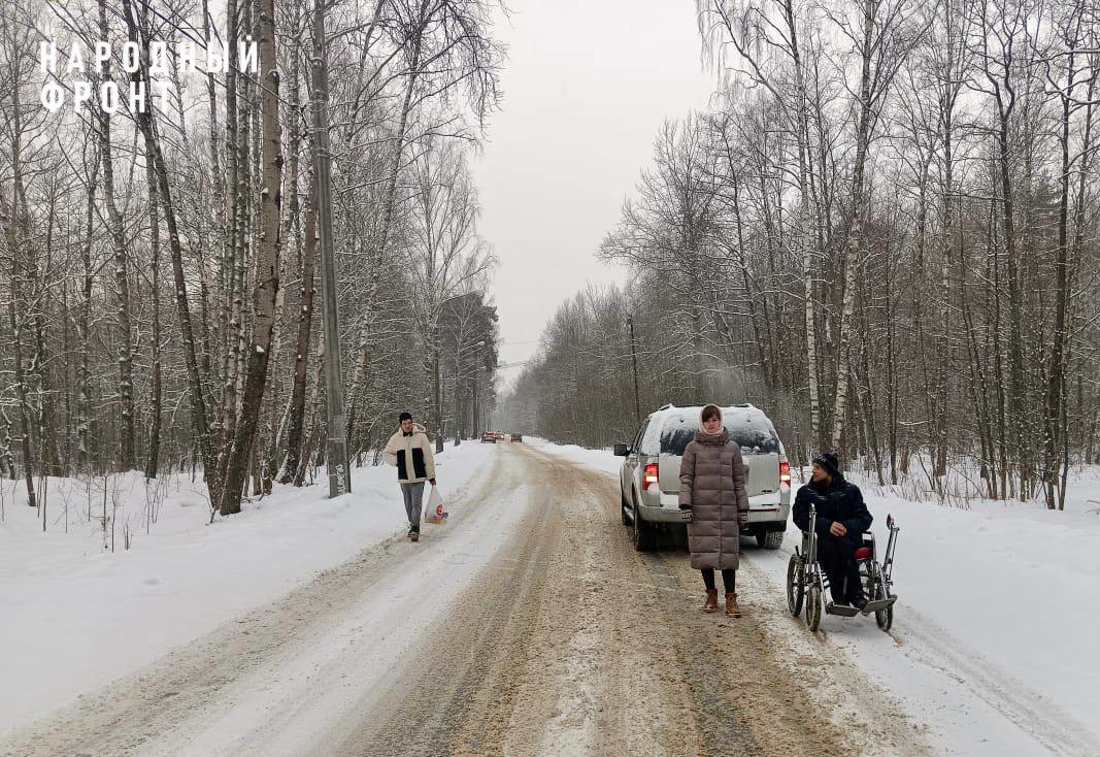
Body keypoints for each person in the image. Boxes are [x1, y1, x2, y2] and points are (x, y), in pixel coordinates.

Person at [678, 404, 750, 617]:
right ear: (702, 422)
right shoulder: (692, 448)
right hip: (701, 509)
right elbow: (686, 478)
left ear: (720, 421)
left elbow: (739, 481)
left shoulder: (732, 448)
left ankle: (731, 598)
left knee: (728, 555)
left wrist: (742, 508)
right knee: (705, 554)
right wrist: (685, 504)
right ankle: (711, 594)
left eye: (715, 419)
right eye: (707, 420)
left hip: (726, 509)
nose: (711, 423)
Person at [792, 451, 873, 609]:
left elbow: (865, 518)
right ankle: (840, 598)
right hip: (821, 539)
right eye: (813, 467)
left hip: (848, 537)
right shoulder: (807, 493)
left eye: (818, 467)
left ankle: (856, 595)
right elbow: (800, 518)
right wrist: (826, 525)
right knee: (832, 550)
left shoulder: (850, 491)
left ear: (829, 470)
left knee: (845, 546)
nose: (813, 471)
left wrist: (846, 526)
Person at [382, 412, 437, 542]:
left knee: (416, 503)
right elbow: (386, 453)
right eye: (404, 423)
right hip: (404, 478)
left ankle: (415, 528)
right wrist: (397, 461)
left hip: (419, 477)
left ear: (412, 423)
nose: (407, 425)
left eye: (409, 423)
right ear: (401, 424)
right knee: (408, 504)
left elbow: (428, 458)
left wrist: (431, 476)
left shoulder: (421, 437)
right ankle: (413, 524)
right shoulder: (395, 439)